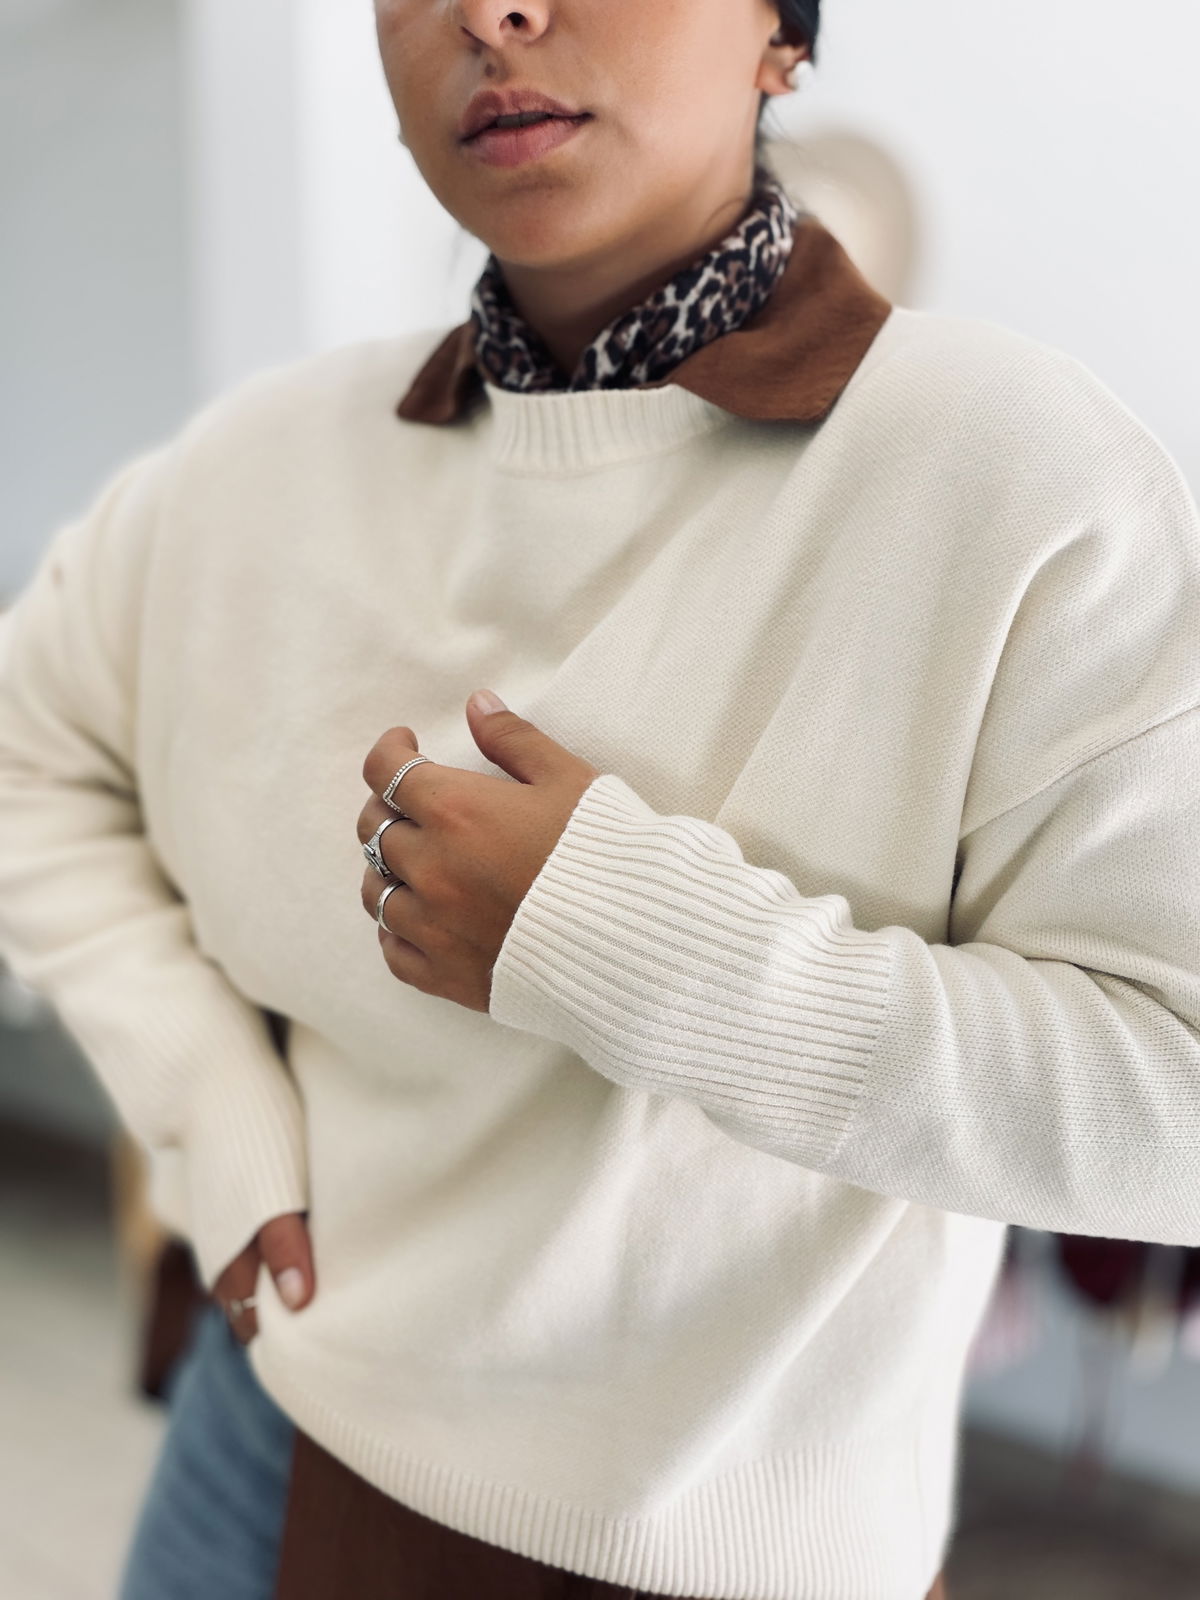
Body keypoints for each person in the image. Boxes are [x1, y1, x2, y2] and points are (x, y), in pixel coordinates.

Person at [1, 0, 1197, 1594]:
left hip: (715, 1549)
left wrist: (620, 943)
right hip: (263, 1432)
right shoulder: (256, 465)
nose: (495, 12)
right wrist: (207, 1100)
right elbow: (27, 751)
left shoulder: (1020, 480)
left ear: (783, 36)